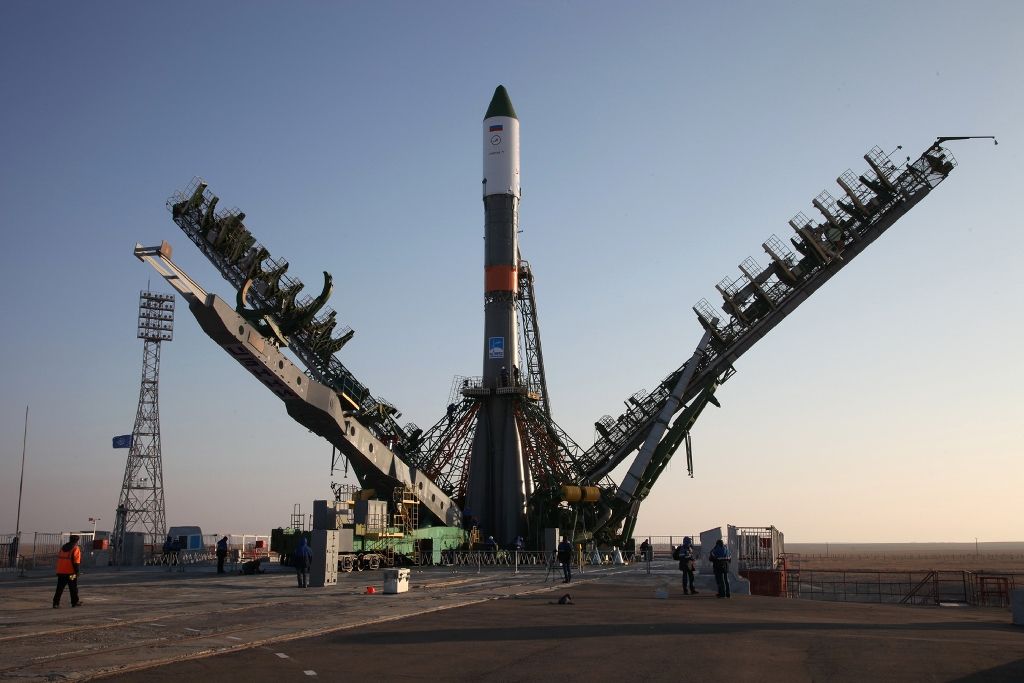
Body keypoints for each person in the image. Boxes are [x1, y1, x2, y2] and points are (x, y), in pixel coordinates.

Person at [53, 535, 82, 608]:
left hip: (61, 572)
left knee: (59, 589)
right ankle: (75, 602)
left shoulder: (63, 548)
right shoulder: (76, 548)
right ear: (77, 541)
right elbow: (76, 562)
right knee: (73, 588)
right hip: (71, 573)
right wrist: (77, 572)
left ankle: (55, 603)